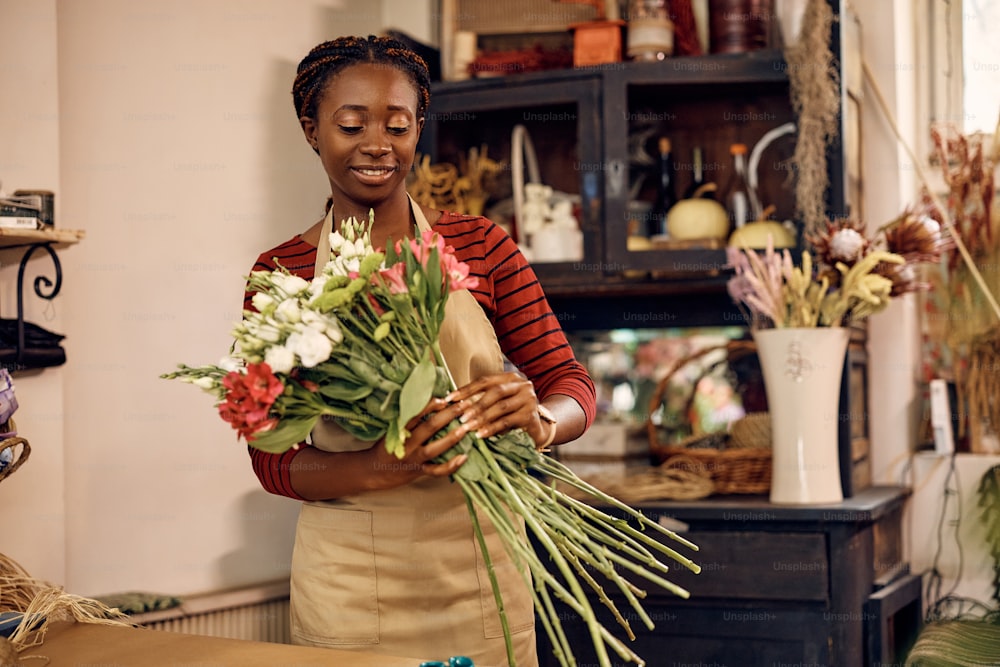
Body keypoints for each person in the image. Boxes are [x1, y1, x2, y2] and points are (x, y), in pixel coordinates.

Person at [245, 35, 596, 667]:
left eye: (398, 125)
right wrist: (387, 465)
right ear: (311, 131)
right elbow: (271, 459)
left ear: (418, 130)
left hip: (481, 565)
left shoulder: (482, 244)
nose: (377, 143)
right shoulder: (283, 274)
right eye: (351, 124)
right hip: (348, 583)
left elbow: (571, 384)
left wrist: (540, 421)